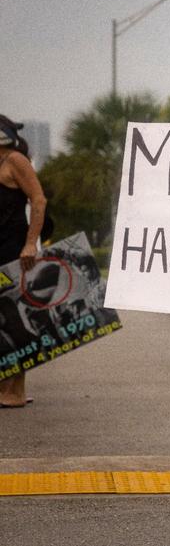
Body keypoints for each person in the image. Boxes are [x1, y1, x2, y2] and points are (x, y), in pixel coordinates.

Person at [0, 114, 47, 409]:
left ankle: (15, 390)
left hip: (12, 252)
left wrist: (31, 243)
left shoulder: (15, 161)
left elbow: (38, 200)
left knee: (12, 316)